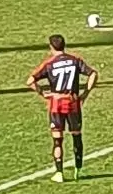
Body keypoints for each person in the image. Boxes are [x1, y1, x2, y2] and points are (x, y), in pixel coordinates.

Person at [27, 34, 98, 183]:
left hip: (56, 104)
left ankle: (59, 173)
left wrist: (42, 93)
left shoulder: (49, 63)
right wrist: (85, 93)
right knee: (76, 136)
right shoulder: (75, 60)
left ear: (51, 47)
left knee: (57, 140)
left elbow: (30, 81)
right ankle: (78, 169)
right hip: (73, 103)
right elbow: (93, 74)